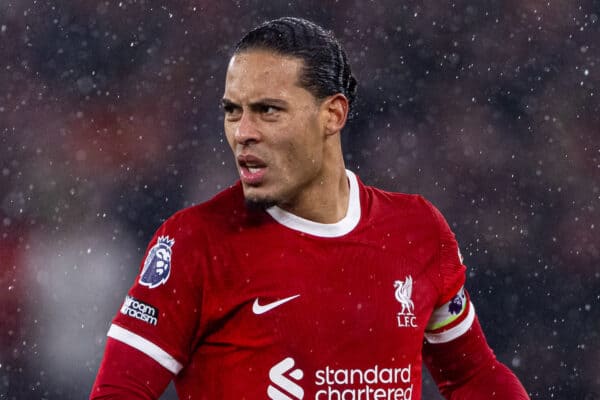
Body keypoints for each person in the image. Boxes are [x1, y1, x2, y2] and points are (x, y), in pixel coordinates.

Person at [90, 17, 529, 400]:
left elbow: (473, 375)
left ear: (333, 115)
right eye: (232, 111)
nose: (243, 132)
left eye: (267, 110)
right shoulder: (195, 242)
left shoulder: (417, 230)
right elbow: (119, 392)